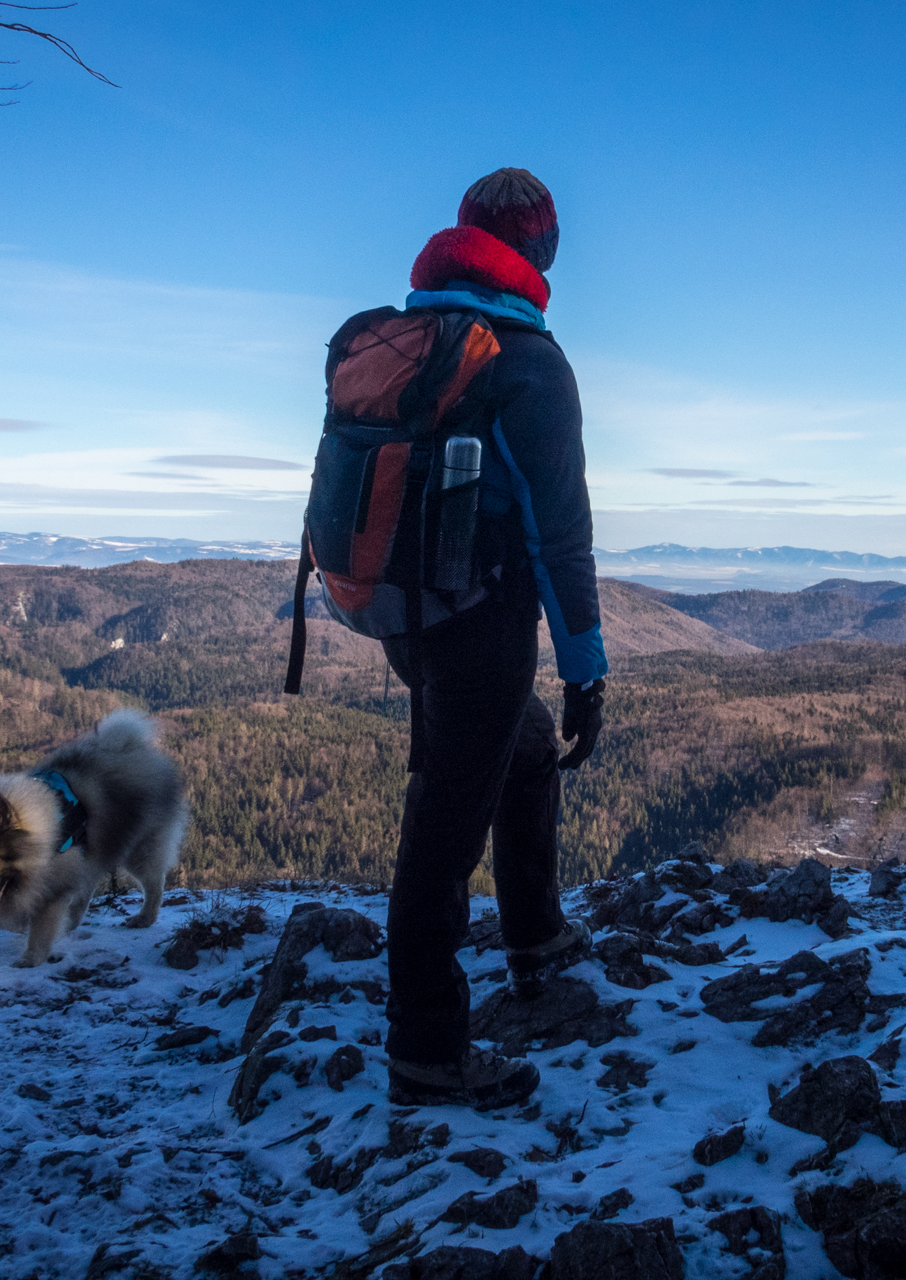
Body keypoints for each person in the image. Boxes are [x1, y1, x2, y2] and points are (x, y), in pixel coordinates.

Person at [380, 168, 606, 1110]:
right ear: (539, 249)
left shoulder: (405, 340)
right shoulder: (527, 361)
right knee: (441, 835)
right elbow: (561, 539)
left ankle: (534, 933)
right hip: (482, 620)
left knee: (521, 751)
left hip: (400, 611)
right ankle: (429, 1052)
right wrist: (587, 672)